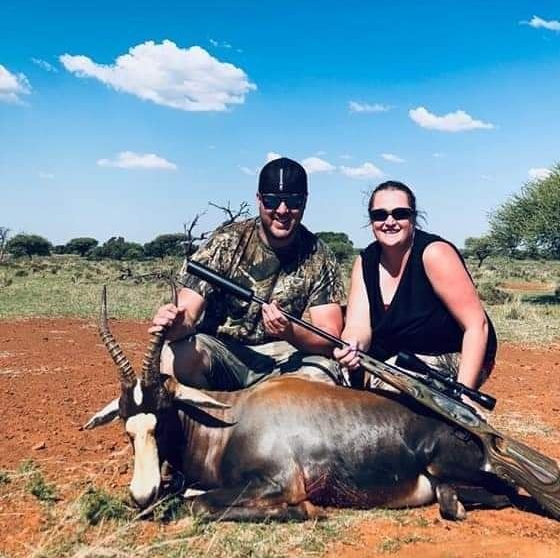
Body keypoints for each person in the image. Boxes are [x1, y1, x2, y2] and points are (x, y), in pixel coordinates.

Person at [151, 157, 345, 388]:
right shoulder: (225, 242)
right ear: (259, 199)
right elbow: (188, 312)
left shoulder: (320, 255)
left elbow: (329, 335)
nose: (282, 210)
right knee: (175, 357)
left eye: (293, 201)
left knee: (325, 373)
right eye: (272, 200)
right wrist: (174, 323)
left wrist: (290, 331)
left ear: (305, 201)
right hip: (224, 352)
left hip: (284, 358)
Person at [335, 180, 496, 391]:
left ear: (413, 218)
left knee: (390, 383)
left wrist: (464, 393)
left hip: (451, 353)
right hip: (394, 355)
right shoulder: (365, 261)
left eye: (400, 214)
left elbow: (476, 326)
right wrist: (352, 346)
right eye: (380, 215)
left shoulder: (435, 253)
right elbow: (358, 326)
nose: (389, 222)